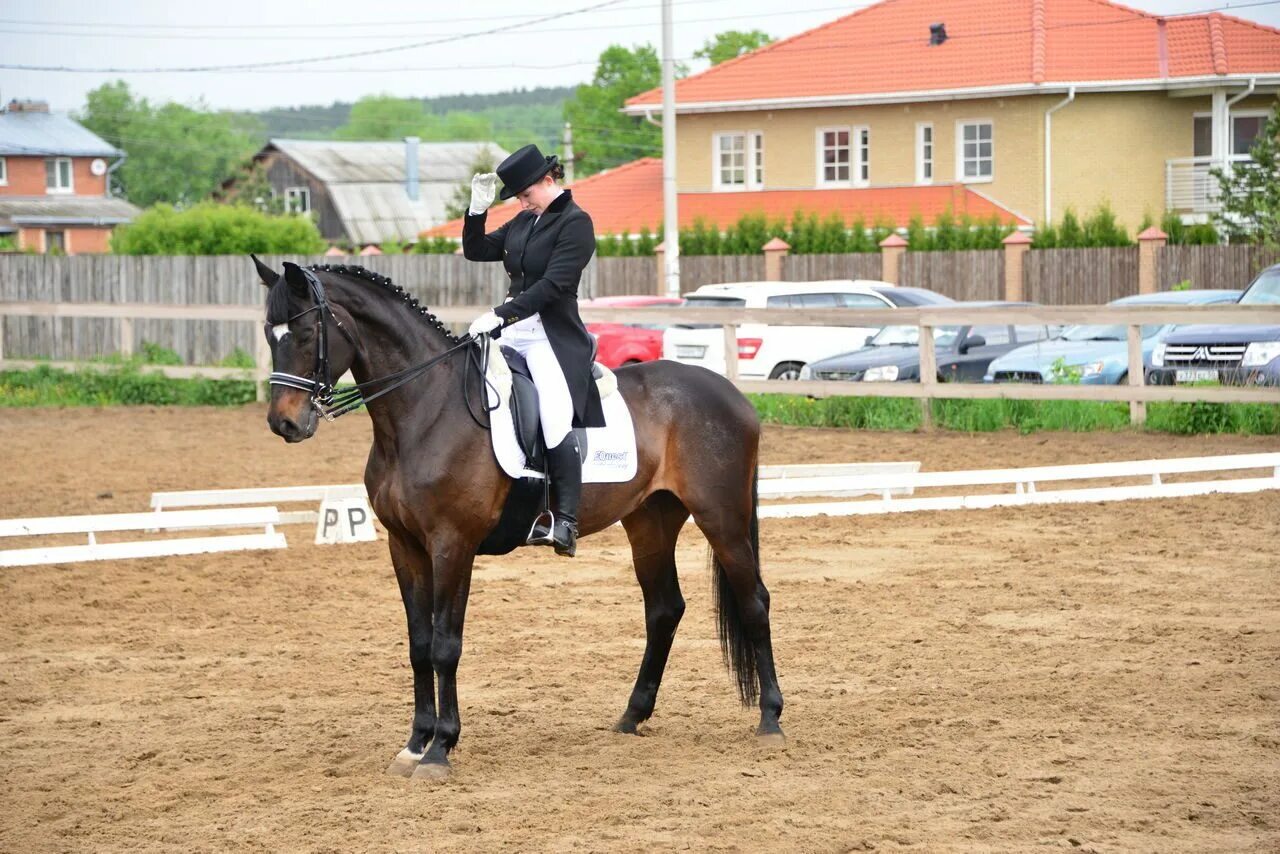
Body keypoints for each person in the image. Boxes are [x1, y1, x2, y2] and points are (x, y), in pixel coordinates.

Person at [463, 144, 604, 558]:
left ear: (548, 180)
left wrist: (500, 315)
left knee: (554, 417)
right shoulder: (525, 222)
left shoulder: (576, 224)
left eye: (526, 194)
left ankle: (566, 522)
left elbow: (554, 286)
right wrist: (476, 211)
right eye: (519, 198)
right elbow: (477, 250)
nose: (522, 203)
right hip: (512, 331)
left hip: (551, 338)